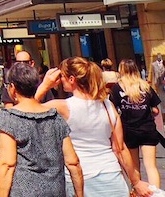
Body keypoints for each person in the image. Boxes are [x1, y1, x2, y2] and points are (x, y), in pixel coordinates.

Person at [38, 57, 154, 197]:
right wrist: (136, 182)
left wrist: (45, 85)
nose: (60, 80)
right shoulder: (107, 106)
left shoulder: (62, 107)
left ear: (72, 79)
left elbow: (24, 112)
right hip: (112, 175)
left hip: (81, 179)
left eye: (62, 76)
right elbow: (120, 149)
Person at [0, 62, 83, 197]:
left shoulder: (10, 118)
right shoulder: (55, 117)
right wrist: (80, 193)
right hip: (55, 191)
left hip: (23, 191)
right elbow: (72, 161)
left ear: (12, 88)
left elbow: (7, 164)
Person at [109, 59, 161, 189]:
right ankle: (156, 194)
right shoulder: (145, 86)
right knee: (151, 166)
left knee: (134, 166)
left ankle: (138, 192)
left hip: (129, 130)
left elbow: (112, 109)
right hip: (148, 129)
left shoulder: (117, 88)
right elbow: (155, 109)